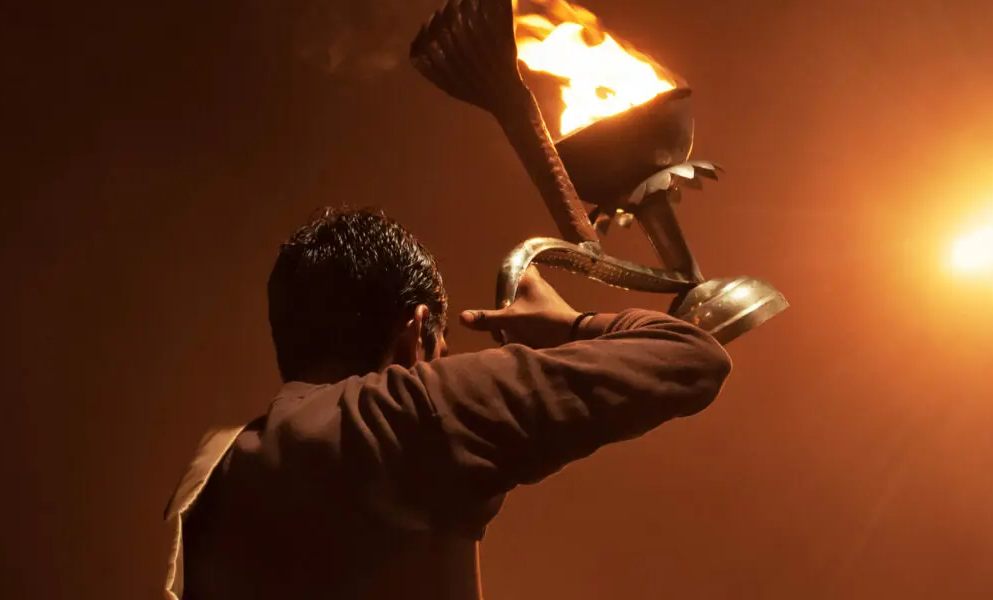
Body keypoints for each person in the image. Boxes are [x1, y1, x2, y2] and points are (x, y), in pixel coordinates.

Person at [164, 206, 732, 600]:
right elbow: (688, 356)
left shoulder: (221, 473)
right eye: (440, 348)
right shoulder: (400, 413)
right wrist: (572, 325)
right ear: (415, 333)